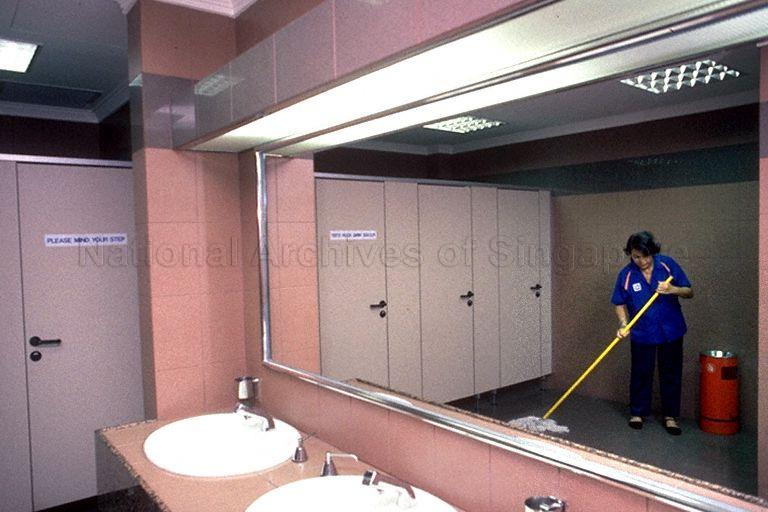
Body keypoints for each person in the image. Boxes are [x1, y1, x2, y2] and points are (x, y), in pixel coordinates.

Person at [611, 231, 693, 435]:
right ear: (630, 254)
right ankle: (638, 412)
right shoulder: (627, 274)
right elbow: (619, 302)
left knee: (671, 373)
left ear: (652, 252)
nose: (641, 261)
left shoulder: (667, 264)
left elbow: (689, 291)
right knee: (641, 373)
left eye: (645, 256)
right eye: (636, 256)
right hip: (642, 332)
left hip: (671, 330)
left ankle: (670, 417)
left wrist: (672, 289)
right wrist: (623, 324)